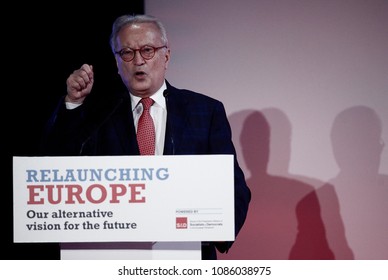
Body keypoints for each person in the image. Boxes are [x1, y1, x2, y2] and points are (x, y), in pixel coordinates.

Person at [41, 14, 251, 260]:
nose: (138, 60)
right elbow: (55, 168)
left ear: (166, 56)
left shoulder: (205, 111)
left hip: (186, 253)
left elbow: (232, 186)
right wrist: (74, 103)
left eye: (147, 50)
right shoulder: (97, 114)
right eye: (127, 53)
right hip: (111, 256)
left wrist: (214, 232)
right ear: (117, 63)